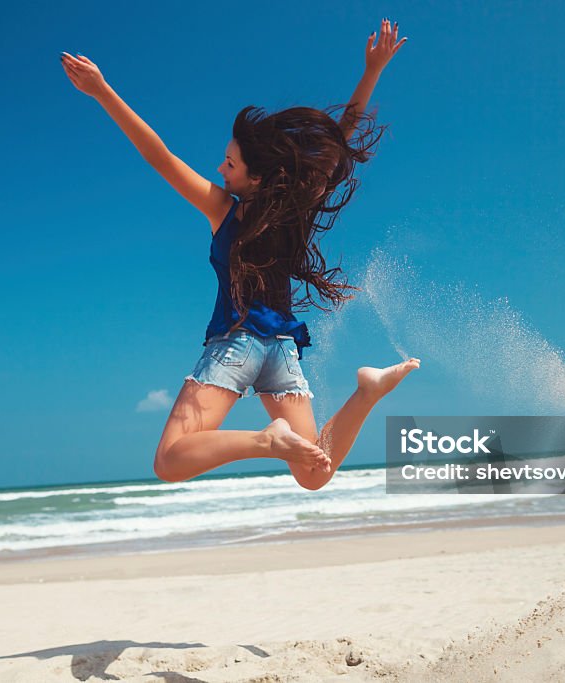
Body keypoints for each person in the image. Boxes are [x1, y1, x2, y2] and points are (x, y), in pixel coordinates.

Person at [61, 18, 420, 490]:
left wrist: (104, 93)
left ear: (255, 178)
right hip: (283, 350)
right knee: (315, 472)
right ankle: (367, 392)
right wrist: (373, 70)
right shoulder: (297, 213)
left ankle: (266, 442)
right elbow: (337, 141)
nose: (219, 169)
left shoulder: (224, 209)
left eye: (229, 164)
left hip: (236, 344)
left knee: (169, 462)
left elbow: (160, 157)